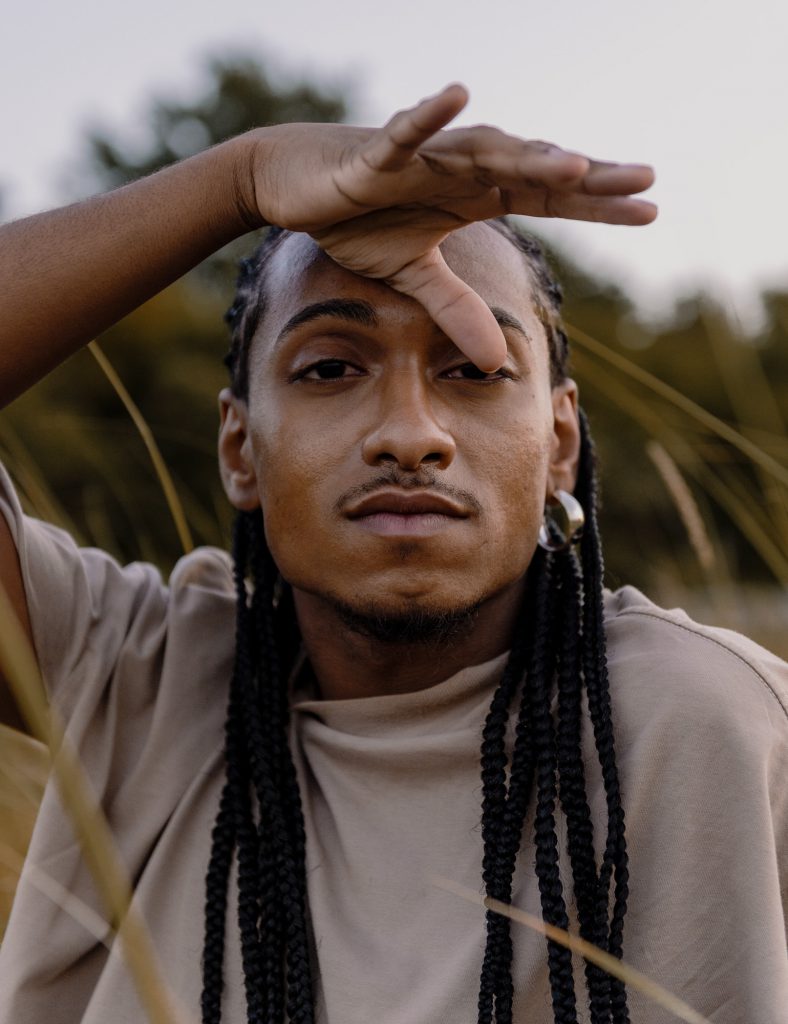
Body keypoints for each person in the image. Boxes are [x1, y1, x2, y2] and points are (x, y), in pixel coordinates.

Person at [0, 84, 784, 1024]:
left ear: (560, 443)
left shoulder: (711, 721)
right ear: (240, 448)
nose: (412, 435)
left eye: (474, 369)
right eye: (331, 368)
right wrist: (240, 177)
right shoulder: (137, 673)